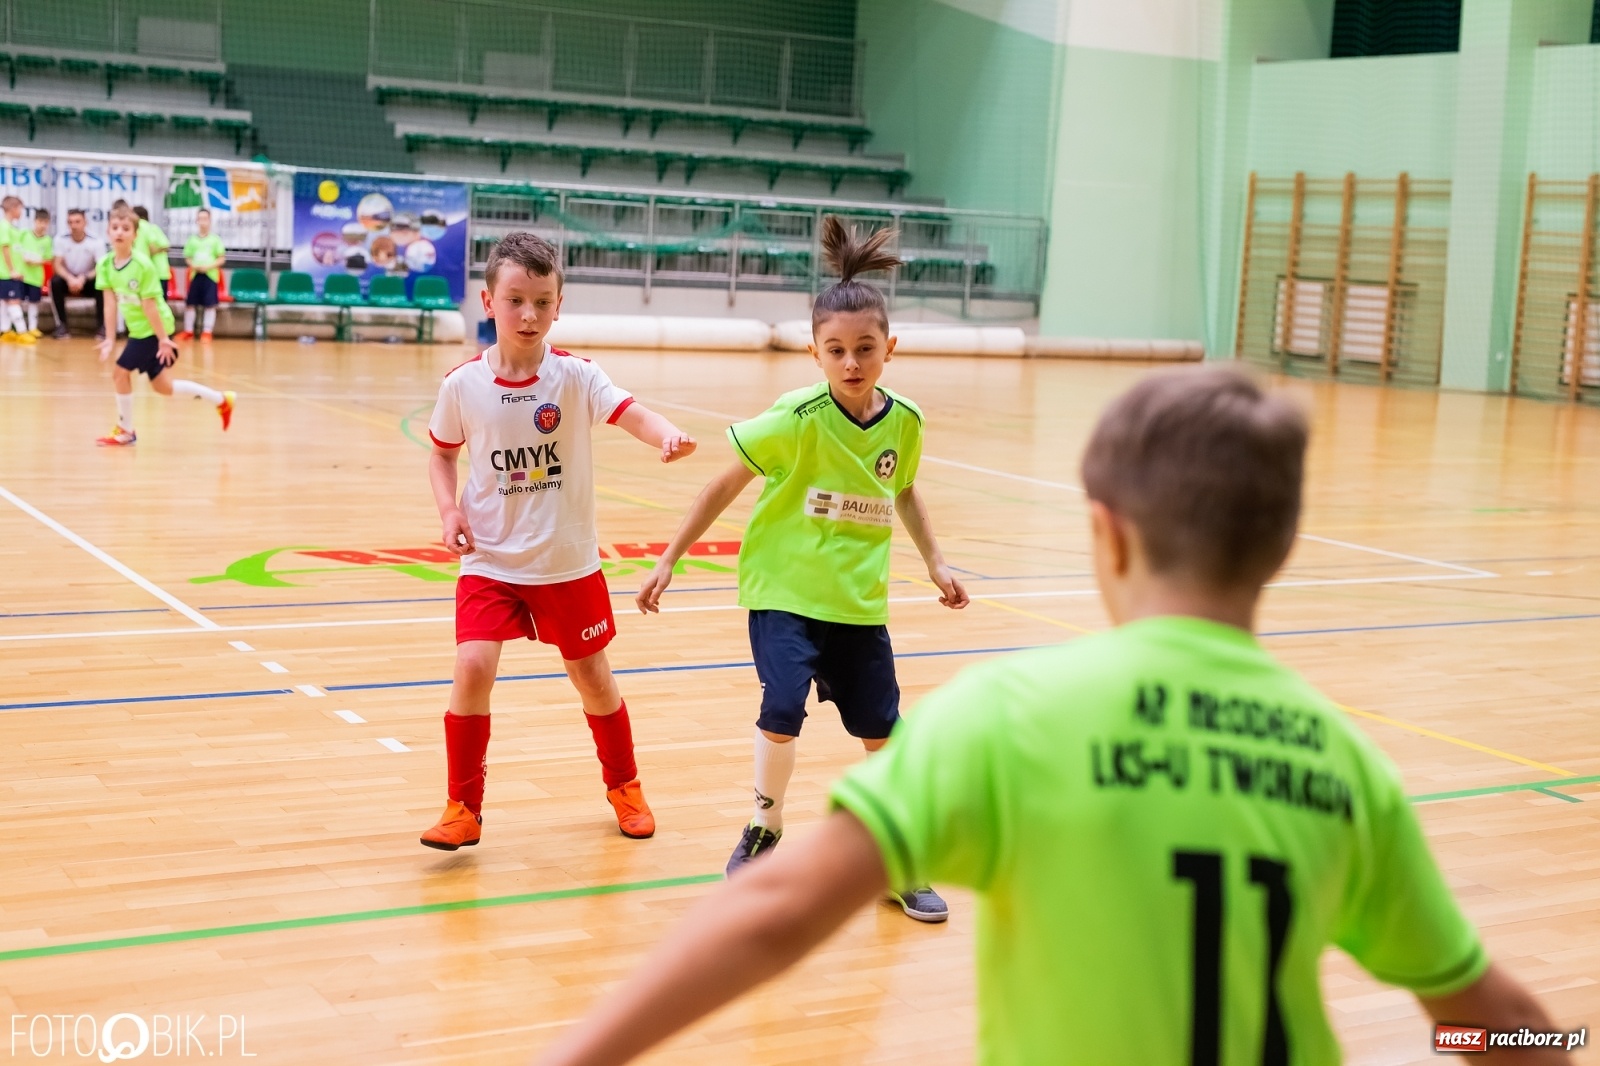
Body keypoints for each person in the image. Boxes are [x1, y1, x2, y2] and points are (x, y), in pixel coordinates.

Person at [538, 367, 1567, 1066]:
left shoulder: (1017, 718)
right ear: (1279, 546)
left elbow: (773, 912)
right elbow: (1500, 1021)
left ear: (1105, 536)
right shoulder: (1344, 764)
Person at [635, 216, 969, 922]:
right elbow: (723, 484)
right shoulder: (796, 416)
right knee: (782, 706)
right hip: (783, 592)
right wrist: (669, 557)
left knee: (884, 731)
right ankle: (765, 827)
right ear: (815, 354)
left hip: (857, 603)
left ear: (890, 349)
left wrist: (936, 561)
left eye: (865, 349)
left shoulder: (904, 422)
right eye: (836, 351)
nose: (852, 363)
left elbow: (903, 488)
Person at [418, 231, 698, 851]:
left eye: (543, 302)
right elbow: (440, 457)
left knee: (593, 675)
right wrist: (447, 512)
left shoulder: (576, 376)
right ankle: (462, 806)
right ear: (488, 301)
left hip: (566, 563)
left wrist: (667, 436)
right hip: (489, 559)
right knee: (471, 665)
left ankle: (625, 786)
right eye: (515, 300)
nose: (529, 315)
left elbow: (633, 413)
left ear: (559, 306)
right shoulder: (462, 385)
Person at [94, 205, 235, 447]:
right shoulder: (105, 265)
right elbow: (109, 304)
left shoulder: (143, 265)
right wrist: (109, 337)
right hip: (138, 329)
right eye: (115, 228)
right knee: (163, 387)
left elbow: (151, 306)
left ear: (135, 235)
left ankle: (126, 430)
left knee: (119, 373)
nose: (119, 233)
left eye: (126, 229)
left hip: (153, 328)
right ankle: (222, 400)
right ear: (108, 231)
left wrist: (162, 339)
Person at [50, 208, 107, 339]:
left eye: (77, 222)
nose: (73, 226)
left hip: (88, 279)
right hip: (68, 279)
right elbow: (57, 265)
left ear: (85, 222)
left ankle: (102, 327)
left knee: (103, 284)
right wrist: (70, 278)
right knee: (55, 282)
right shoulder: (60, 239)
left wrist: (84, 278)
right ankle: (62, 326)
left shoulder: (96, 241)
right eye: (70, 222)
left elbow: (101, 267)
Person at [178, 208, 225, 342]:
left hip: (210, 276)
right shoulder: (192, 240)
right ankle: (188, 331)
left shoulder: (215, 240)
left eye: (205, 219)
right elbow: (187, 257)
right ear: (196, 221)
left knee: (210, 304)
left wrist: (208, 266)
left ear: (210, 221)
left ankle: (207, 331)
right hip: (195, 275)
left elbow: (221, 258)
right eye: (200, 219)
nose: (203, 222)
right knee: (190, 304)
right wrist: (194, 266)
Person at [15, 208, 52, 338]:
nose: (42, 225)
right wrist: (24, 257)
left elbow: (48, 258)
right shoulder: (24, 234)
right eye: (40, 221)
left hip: (36, 277)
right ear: (34, 221)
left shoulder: (47, 240)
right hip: (22, 275)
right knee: (16, 301)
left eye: (45, 222)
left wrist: (37, 261)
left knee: (33, 302)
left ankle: (32, 327)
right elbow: (16, 248)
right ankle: (17, 327)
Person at [0, 196, 29, 344]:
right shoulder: (4, 227)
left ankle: (5, 330)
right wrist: (12, 270)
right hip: (6, 273)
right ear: (13, 209)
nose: (21, 212)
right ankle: (21, 331)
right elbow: (5, 249)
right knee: (13, 301)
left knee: (5, 302)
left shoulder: (12, 228)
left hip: (10, 273)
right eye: (20, 209)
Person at [130, 204, 172, 290]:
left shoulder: (140, 227)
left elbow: (153, 248)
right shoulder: (151, 227)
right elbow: (165, 246)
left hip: (143, 270)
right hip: (157, 271)